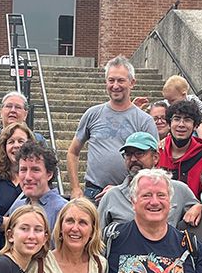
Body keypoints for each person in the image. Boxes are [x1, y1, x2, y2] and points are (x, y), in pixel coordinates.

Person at [67, 55, 158, 202]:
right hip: (93, 193)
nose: (115, 85)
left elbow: (153, 163)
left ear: (132, 82)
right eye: (111, 80)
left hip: (130, 194)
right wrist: (75, 188)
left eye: (121, 80)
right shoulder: (92, 114)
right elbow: (72, 152)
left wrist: (122, 188)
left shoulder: (144, 120)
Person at [97, 132, 198, 229]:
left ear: (155, 157)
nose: (132, 159)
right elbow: (97, 238)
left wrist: (200, 207)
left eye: (139, 153)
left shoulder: (179, 190)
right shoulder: (112, 196)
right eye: (128, 154)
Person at [0, 122, 36, 273]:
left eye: (21, 141)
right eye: (11, 142)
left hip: (29, 255)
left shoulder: (36, 180)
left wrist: (3, 220)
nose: (16, 146)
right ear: (4, 147)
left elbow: (40, 214)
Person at [0, 91, 45, 188]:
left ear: (26, 114)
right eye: (8, 106)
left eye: (18, 107)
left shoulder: (38, 140)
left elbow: (47, 167)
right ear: (1, 112)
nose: (13, 110)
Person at [6, 140, 68, 234]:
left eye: (35, 170)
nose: (28, 177)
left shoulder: (62, 210)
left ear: (49, 174)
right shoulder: (17, 207)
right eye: (23, 170)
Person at [158, 100, 202, 198]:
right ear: (169, 124)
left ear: (195, 126)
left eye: (187, 120)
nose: (181, 124)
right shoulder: (157, 153)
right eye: (177, 119)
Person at [135, 75, 202, 142]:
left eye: (172, 100)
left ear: (183, 95)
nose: (170, 103)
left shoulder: (192, 100)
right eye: (167, 100)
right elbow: (151, 110)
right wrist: (138, 110)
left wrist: (198, 117)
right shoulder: (167, 103)